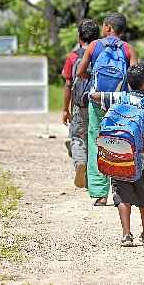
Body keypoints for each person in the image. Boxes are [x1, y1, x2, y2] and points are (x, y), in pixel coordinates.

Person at [90, 63, 144, 246]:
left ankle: (126, 234)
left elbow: (93, 96)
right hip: (142, 158)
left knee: (122, 194)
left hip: (118, 154)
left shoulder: (119, 98)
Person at [77, 12, 138, 206]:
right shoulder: (129, 49)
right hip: (119, 103)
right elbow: (135, 78)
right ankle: (119, 190)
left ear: (108, 28)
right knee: (118, 142)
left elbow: (80, 71)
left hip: (96, 101)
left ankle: (100, 193)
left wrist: (93, 76)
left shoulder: (95, 46)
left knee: (96, 142)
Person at [61, 19, 100, 188]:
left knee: (78, 137)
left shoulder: (72, 57)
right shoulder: (101, 55)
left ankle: (79, 163)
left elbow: (68, 84)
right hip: (100, 103)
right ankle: (97, 175)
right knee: (97, 138)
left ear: (79, 37)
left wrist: (65, 109)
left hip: (79, 105)